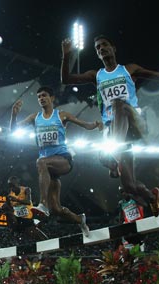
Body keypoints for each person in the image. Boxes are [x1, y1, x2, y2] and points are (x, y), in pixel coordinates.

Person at [61, 35, 159, 216]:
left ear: (113, 48)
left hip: (134, 122)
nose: (101, 49)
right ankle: (152, 197)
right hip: (115, 129)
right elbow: (66, 79)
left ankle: (111, 155)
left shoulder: (129, 69)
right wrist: (66, 56)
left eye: (104, 45)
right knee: (129, 185)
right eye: (97, 48)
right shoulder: (96, 75)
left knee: (118, 103)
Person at [10, 86, 102, 236]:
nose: (41, 98)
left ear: (52, 98)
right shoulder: (35, 117)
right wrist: (14, 116)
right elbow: (13, 130)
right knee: (57, 209)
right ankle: (80, 220)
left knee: (41, 162)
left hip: (63, 160)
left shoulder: (61, 115)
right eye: (39, 96)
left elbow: (85, 125)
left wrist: (96, 124)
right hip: (50, 170)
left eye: (44, 95)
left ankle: (43, 204)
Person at [0, 176, 48, 241]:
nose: (11, 188)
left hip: (27, 221)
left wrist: (16, 200)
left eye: (13, 185)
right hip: (17, 220)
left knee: (44, 240)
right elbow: (2, 209)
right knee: (4, 207)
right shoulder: (10, 195)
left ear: (17, 183)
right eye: (10, 186)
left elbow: (28, 202)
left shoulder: (26, 190)